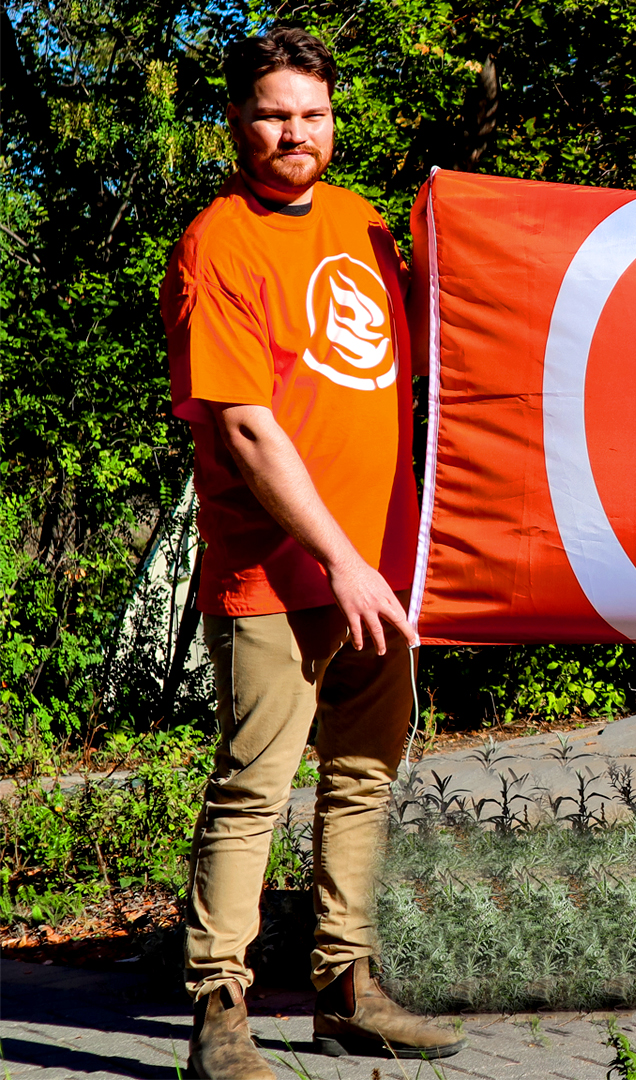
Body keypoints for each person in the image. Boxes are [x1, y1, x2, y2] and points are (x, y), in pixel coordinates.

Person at [161, 27, 465, 1078]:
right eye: (273, 114)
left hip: (382, 569)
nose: (295, 132)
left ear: (334, 121)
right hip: (278, 573)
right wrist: (340, 556)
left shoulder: (363, 225)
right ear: (237, 123)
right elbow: (245, 428)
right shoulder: (220, 241)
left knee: (365, 777)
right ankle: (221, 1011)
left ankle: (347, 990)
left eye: (312, 114)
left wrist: (458, 222)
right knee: (254, 789)